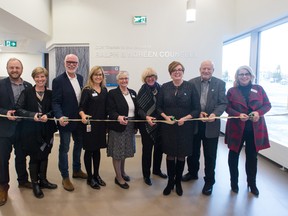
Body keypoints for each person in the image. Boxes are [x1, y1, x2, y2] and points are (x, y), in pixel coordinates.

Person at [182, 60, 227, 196]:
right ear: (199, 69)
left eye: (209, 69)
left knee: (210, 155)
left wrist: (214, 114)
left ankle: (209, 181)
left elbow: (223, 103)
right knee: (192, 152)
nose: (206, 71)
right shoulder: (191, 82)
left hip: (211, 124)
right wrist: (197, 112)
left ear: (213, 70)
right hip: (195, 123)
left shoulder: (220, 83)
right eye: (203, 68)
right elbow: (188, 103)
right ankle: (192, 173)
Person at [225, 65, 271, 196]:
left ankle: (252, 183)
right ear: (237, 77)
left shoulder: (259, 89)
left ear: (251, 76)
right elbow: (227, 108)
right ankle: (234, 183)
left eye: (246, 74)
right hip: (236, 129)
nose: (244, 76)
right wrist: (238, 114)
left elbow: (268, 105)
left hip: (254, 130)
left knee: (252, 157)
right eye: (241, 74)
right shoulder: (232, 91)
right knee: (233, 156)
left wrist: (258, 112)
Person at [157, 61, 199, 196]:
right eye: (174, 70)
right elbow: (159, 107)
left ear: (183, 71)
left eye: (180, 69)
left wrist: (185, 118)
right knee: (170, 155)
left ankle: (178, 182)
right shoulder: (164, 87)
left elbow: (196, 109)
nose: (177, 72)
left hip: (185, 127)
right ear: (170, 72)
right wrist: (165, 117)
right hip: (168, 127)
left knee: (181, 155)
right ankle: (170, 182)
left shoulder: (190, 87)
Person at [15, 67, 58, 199]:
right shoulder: (27, 92)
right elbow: (18, 109)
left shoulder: (51, 93)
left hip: (47, 130)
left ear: (46, 78)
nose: (40, 79)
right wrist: (33, 115)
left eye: (43, 77)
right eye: (37, 77)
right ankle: (35, 184)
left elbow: (54, 109)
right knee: (34, 157)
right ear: (34, 78)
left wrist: (48, 115)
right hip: (31, 131)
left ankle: (43, 180)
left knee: (45, 155)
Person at [52, 54, 87, 192]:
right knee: (65, 148)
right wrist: (60, 116)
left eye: (74, 62)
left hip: (79, 120)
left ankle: (77, 170)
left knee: (79, 145)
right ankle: (65, 176)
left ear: (78, 64)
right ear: (64, 63)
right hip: (65, 121)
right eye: (69, 62)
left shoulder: (80, 78)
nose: (71, 64)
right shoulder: (58, 80)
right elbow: (55, 102)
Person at [0, 58, 32, 206]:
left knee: (21, 156)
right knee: (2, 159)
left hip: (23, 129)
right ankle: (3, 186)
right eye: (11, 67)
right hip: (4, 129)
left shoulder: (28, 86)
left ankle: (23, 180)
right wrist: (5, 112)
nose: (14, 70)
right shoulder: (0, 85)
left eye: (17, 67)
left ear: (22, 69)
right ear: (7, 69)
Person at [107, 71, 138, 190]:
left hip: (130, 126)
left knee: (125, 150)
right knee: (117, 152)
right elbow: (110, 110)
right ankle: (118, 177)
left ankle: (123, 172)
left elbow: (136, 110)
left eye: (126, 78)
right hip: (118, 126)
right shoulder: (113, 93)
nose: (124, 80)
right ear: (117, 80)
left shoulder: (133, 93)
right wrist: (118, 117)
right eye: (121, 79)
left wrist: (135, 126)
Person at [79, 66, 108, 190]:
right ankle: (90, 177)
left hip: (100, 126)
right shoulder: (87, 90)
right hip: (89, 125)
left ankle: (97, 175)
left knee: (97, 150)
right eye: (96, 74)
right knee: (89, 150)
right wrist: (83, 115)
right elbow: (81, 108)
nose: (98, 77)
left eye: (100, 74)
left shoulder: (104, 90)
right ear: (91, 76)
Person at [137, 68, 167, 186]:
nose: (150, 78)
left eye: (152, 76)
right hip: (146, 124)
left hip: (160, 124)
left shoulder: (161, 89)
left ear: (156, 77)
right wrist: (146, 117)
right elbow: (139, 109)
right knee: (147, 150)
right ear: (144, 79)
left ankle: (157, 170)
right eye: (148, 77)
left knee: (159, 149)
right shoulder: (142, 90)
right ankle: (146, 175)